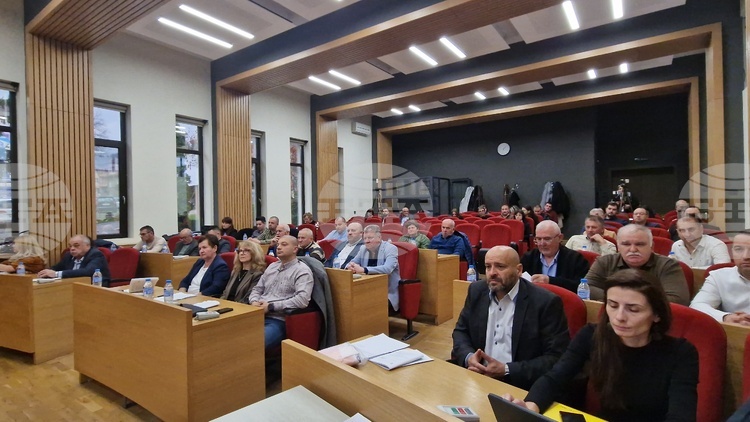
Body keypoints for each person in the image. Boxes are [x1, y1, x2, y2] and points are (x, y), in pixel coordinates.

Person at [503, 269, 698, 421]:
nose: (619, 317)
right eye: (613, 305)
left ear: (656, 315)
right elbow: (555, 378)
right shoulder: (592, 335)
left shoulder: (681, 353)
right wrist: (531, 407)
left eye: (633, 309)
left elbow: (681, 417)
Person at [452, 246, 569, 390]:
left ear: (518, 270)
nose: (492, 273)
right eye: (488, 267)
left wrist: (507, 369)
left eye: (500, 267)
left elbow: (555, 357)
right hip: (477, 377)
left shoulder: (545, 302)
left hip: (520, 385)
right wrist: (469, 357)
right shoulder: (476, 291)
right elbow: (461, 332)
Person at [584, 224, 689, 305]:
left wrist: (618, 299)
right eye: (626, 244)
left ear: (652, 247)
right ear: (618, 247)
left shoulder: (668, 265)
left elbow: (677, 300)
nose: (633, 249)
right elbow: (586, 287)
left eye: (640, 244)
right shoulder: (604, 261)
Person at [247, 235, 313, 349]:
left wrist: (271, 307)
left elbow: (302, 300)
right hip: (257, 314)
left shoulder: (302, 271)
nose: (278, 247)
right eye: (278, 244)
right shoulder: (272, 267)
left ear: (295, 249)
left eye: (284, 244)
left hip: (279, 319)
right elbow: (257, 289)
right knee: (229, 335)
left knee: (252, 343)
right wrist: (253, 301)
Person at [690, 230, 750, 324]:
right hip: (735, 330)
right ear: (732, 252)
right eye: (738, 249)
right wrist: (726, 317)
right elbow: (697, 305)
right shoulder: (718, 277)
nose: (746, 256)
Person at [520, 221, 589, 292]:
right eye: (539, 239)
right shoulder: (528, 258)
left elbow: (581, 286)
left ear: (560, 238)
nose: (542, 244)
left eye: (547, 239)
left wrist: (550, 281)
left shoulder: (576, 259)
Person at [347, 225, 401, 312]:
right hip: (366, 289)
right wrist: (350, 266)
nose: (367, 241)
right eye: (365, 238)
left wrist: (364, 270)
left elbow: (388, 269)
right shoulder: (363, 248)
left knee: (364, 306)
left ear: (379, 238)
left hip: (386, 292)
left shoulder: (391, 248)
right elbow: (352, 262)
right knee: (349, 302)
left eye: (370, 238)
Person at [39, 235, 111, 285]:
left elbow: (87, 272)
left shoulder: (96, 255)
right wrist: (46, 272)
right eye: (70, 246)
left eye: (76, 245)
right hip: (73, 285)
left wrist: (56, 274)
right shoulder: (68, 255)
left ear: (87, 246)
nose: (72, 248)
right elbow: (57, 268)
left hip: (95, 286)